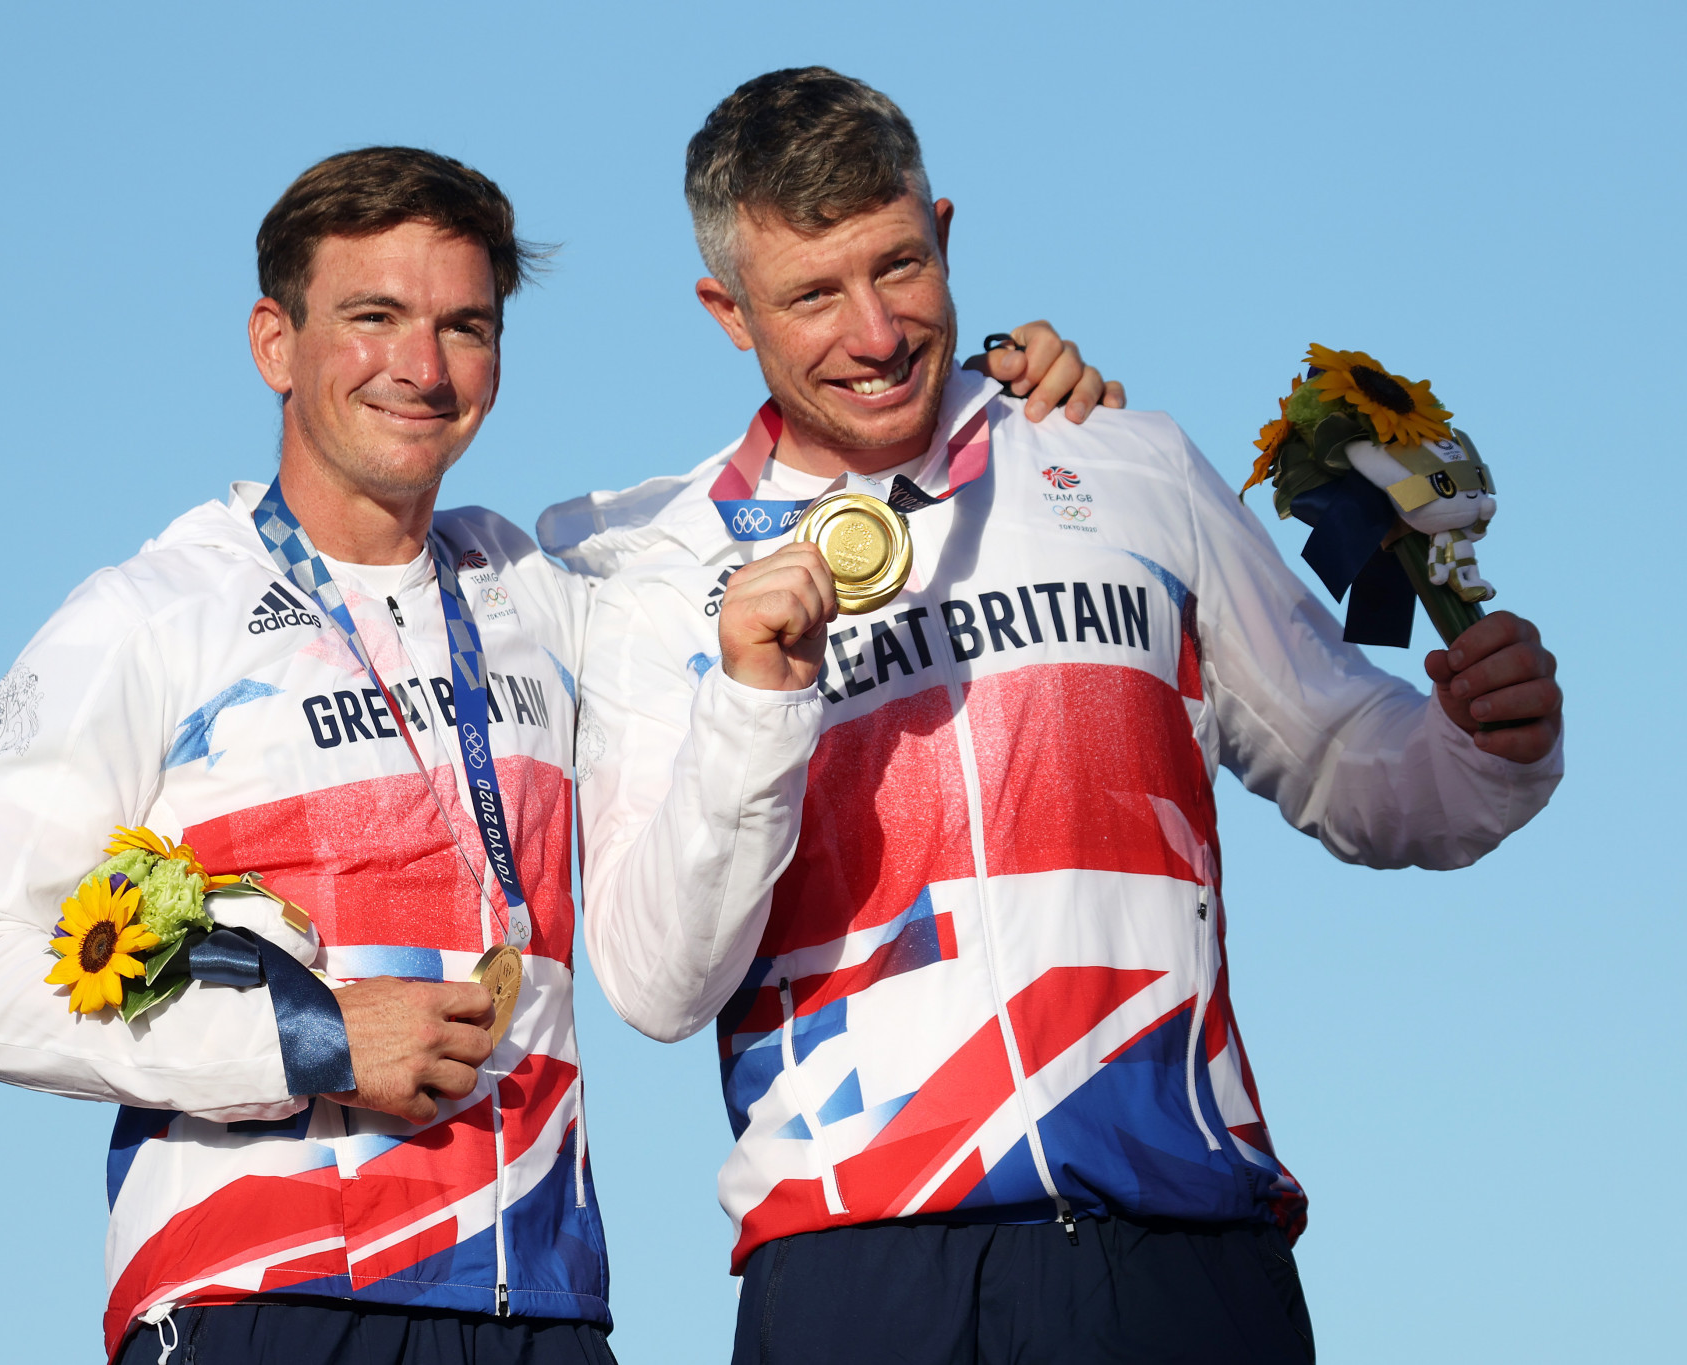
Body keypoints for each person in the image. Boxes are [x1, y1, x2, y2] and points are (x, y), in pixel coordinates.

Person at [0, 143, 1109, 1364]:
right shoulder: (147, 618)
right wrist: (305, 1038)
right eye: (374, 317)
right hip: (262, 1298)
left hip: (545, 1311)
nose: (421, 369)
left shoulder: (539, 587)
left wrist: (990, 401)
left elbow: (776, 528)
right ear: (275, 342)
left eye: (464, 327)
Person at [544, 68, 1564, 1365]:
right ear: (727, 311)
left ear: (947, 230)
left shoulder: (1126, 461)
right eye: (812, 294)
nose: (874, 332)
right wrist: (758, 698)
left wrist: (1485, 746)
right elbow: (655, 977)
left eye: (898, 266)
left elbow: (1344, 756)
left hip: (1181, 1248)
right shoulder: (665, 575)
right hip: (858, 1268)